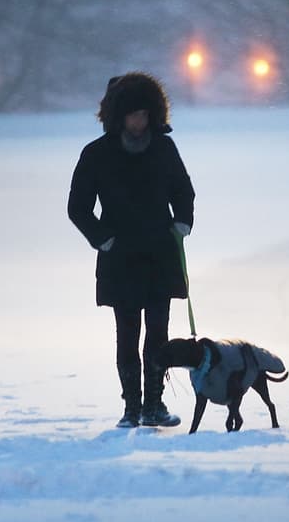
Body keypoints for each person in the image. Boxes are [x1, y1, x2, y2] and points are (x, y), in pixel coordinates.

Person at [68, 72, 195, 428]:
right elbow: (77, 207)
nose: (139, 121)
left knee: (158, 332)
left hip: (159, 254)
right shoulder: (96, 154)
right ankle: (131, 408)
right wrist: (103, 238)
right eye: (132, 114)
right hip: (120, 258)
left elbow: (183, 191)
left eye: (144, 114)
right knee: (127, 333)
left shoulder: (164, 148)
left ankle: (154, 404)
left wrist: (181, 223)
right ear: (118, 115)